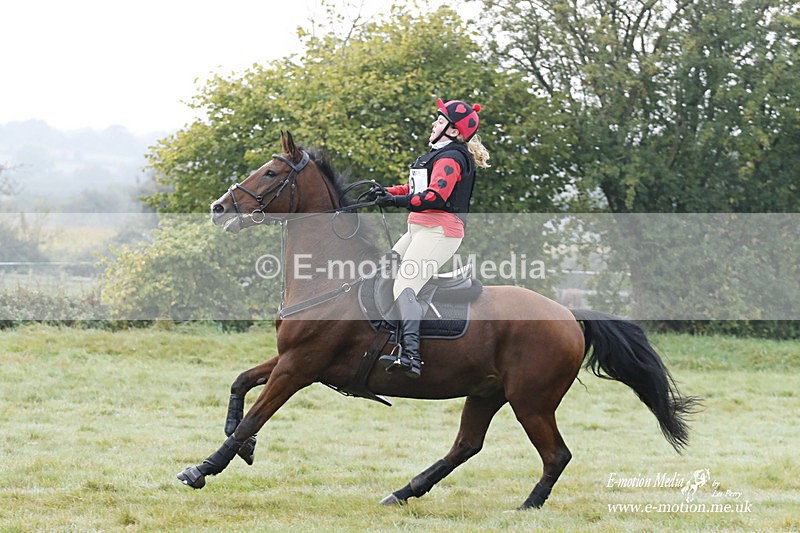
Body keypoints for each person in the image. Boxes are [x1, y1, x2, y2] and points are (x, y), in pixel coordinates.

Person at [375, 97, 490, 378]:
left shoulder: (451, 158)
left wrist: (395, 202)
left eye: (439, 120)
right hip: (419, 228)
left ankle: (411, 356)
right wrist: (385, 192)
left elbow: (435, 196)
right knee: (384, 269)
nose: (433, 123)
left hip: (440, 231)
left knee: (404, 285)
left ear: (452, 130)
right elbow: (413, 188)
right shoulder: (437, 155)